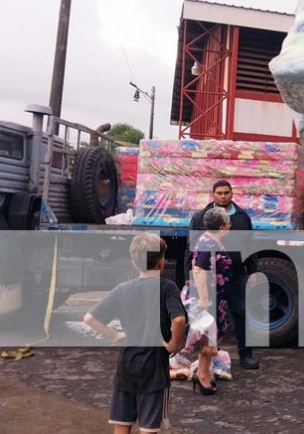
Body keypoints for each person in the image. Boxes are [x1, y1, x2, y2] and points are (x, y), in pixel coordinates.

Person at [84, 233, 186, 434]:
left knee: (122, 424)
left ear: (133, 261)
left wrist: (115, 336)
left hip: (127, 366)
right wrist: (174, 344)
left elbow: (89, 318)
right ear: (162, 262)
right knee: (149, 428)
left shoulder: (123, 289)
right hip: (154, 368)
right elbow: (179, 319)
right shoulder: (167, 287)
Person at [187, 179, 259, 370]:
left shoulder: (242, 217)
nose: (223, 196)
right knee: (212, 319)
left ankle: (246, 355)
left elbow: (250, 244)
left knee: (241, 312)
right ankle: (211, 358)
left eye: (226, 192)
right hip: (211, 280)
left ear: (232, 193)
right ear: (213, 194)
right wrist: (188, 276)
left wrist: (253, 270)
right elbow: (193, 247)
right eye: (219, 193)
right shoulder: (202, 217)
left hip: (236, 275)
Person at [187, 207, 234, 395]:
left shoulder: (209, 241)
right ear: (223, 226)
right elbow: (198, 269)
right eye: (228, 223)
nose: (230, 226)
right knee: (208, 341)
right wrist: (205, 299)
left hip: (217, 298)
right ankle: (203, 376)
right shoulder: (208, 243)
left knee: (210, 339)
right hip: (209, 299)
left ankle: (203, 373)